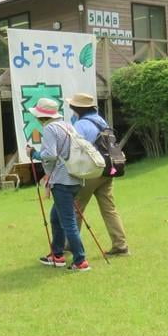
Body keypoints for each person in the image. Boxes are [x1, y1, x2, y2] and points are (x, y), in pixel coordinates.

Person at [25, 97, 90, 272]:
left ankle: (80, 261)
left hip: (62, 180)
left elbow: (50, 155)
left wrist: (34, 154)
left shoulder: (50, 129)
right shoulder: (67, 126)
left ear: (40, 116)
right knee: (56, 217)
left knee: (68, 221)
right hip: (75, 178)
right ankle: (57, 254)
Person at [67, 92, 129, 256]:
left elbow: (75, 149)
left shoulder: (80, 124)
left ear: (77, 108)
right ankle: (120, 245)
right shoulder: (101, 120)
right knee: (109, 209)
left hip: (91, 171)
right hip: (109, 169)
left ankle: (71, 245)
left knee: (76, 208)